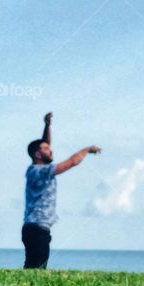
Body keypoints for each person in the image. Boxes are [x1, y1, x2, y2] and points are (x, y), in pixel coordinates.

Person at [23, 112, 101, 269]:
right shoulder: (39, 171)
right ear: (38, 154)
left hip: (37, 228)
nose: (51, 151)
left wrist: (47, 126)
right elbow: (72, 162)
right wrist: (87, 149)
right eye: (46, 149)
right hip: (37, 228)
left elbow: (44, 143)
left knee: (35, 266)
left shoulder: (37, 168)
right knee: (35, 268)